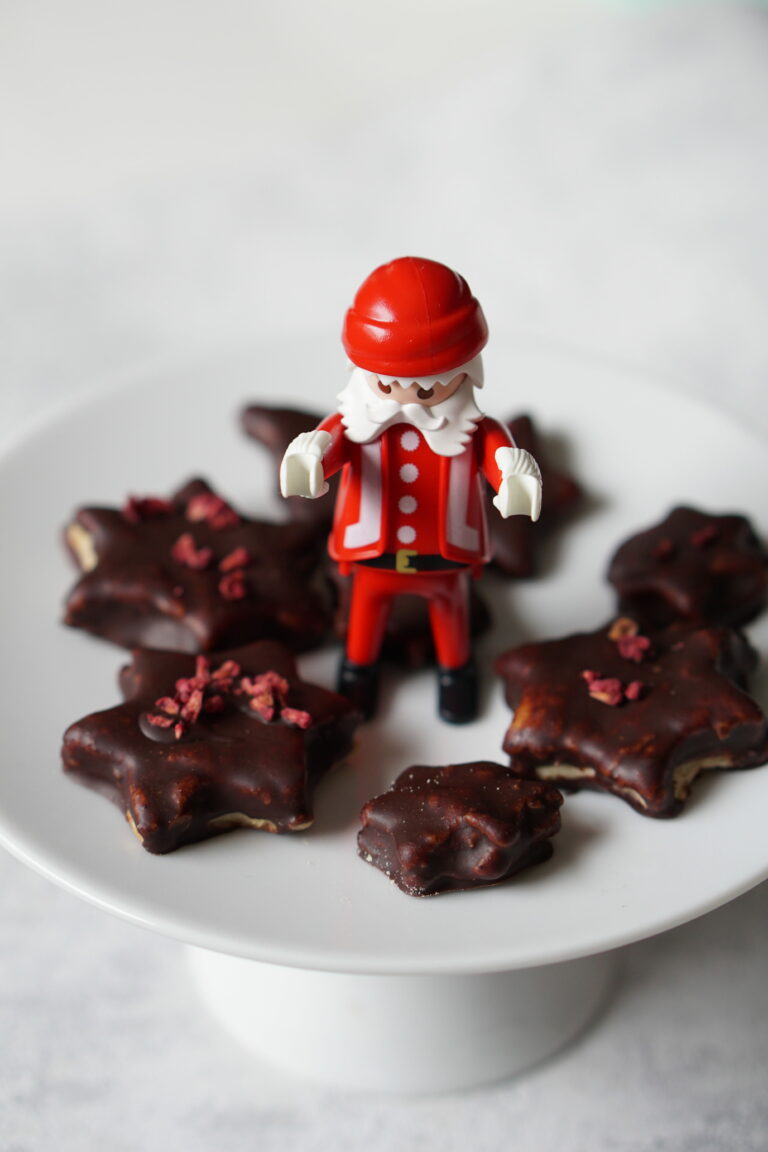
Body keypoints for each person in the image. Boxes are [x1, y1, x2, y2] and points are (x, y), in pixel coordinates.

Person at [280, 256, 542, 722]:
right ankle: (358, 679)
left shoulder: (474, 429)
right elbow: (327, 447)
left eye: (426, 391)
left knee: (451, 619)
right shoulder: (353, 422)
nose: (406, 400)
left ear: (465, 372)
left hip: (444, 552)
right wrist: (310, 459)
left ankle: (456, 680)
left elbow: (501, 459)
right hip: (372, 550)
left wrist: (514, 478)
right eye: (386, 385)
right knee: (363, 619)